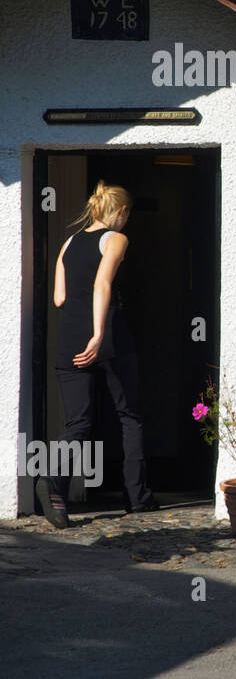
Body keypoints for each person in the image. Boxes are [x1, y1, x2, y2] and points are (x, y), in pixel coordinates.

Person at [38, 181, 158, 528]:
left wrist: (83, 331)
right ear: (121, 212)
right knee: (129, 416)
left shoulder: (69, 243)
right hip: (106, 339)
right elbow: (102, 284)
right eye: (128, 215)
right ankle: (137, 498)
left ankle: (52, 482)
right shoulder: (116, 239)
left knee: (78, 423)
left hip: (69, 340)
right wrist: (99, 333)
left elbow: (59, 298)